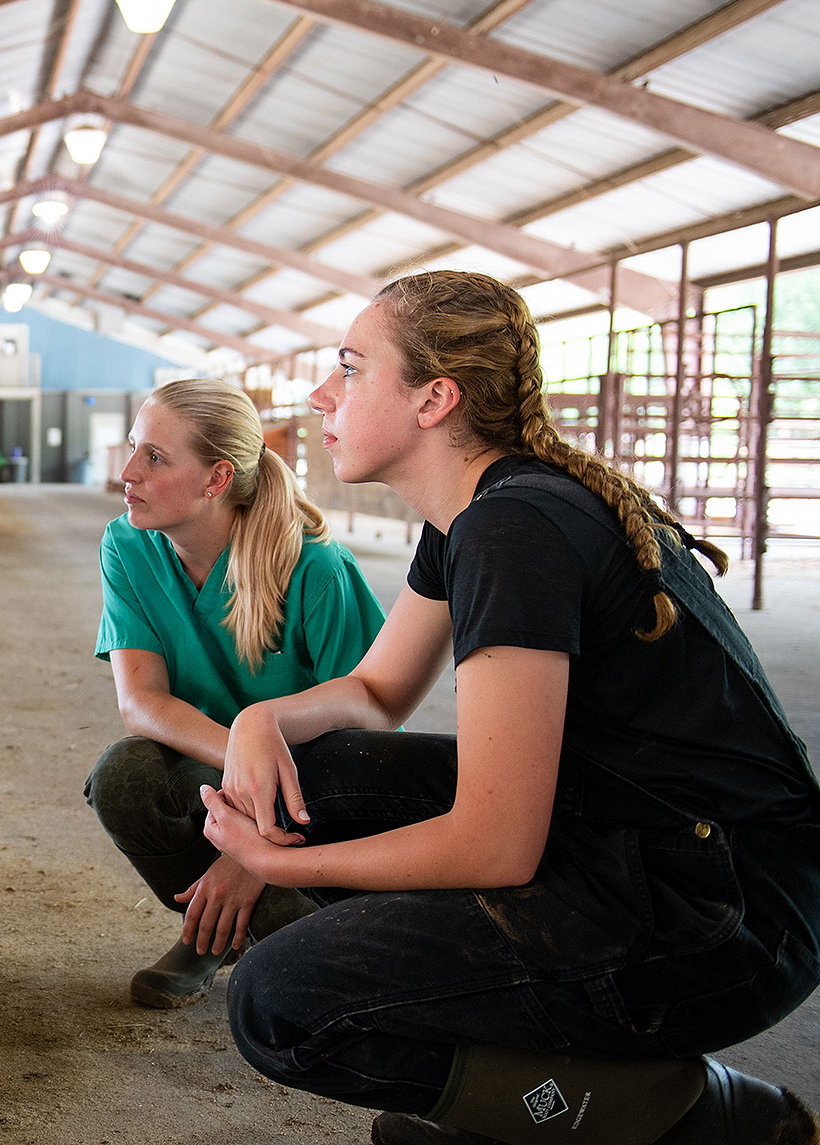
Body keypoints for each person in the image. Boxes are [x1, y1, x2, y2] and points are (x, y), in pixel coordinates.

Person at [203, 270, 820, 1144]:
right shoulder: (474, 511)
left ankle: (686, 1116)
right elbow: (377, 694)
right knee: (330, 772)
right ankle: (510, 1080)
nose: (319, 393)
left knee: (278, 1001)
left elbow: (495, 841)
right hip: (648, 843)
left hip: (729, 919)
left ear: (435, 399)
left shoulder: (512, 530)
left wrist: (280, 865)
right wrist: (259, 721)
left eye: (349, 367)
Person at [84, 378, 386, 1009]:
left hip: (319, 802)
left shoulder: (316, 569)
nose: (127, 472)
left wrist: (257, 850)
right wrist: (247, 798)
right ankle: (211, 935)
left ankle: (274, 936)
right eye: (135, 447)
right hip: (226, 776)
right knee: (126, 776)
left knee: (313, 993)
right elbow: (141, 702)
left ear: (216, 480)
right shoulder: (129, 544)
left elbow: (371, 740)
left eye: (155, 458)